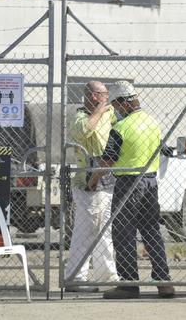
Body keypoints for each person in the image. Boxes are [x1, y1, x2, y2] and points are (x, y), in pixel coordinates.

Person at [89, 80, 175, 300]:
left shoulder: (120, 128)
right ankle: (163, 281)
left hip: (128, 184)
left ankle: (129, 284)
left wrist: (93, 179)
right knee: (151, 231)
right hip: (150, 183)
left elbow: (108, 160)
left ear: (124, 103)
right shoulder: (152, 123)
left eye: (117, 106)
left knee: (123, 233)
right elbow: (164, 149)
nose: (116, 110)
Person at [65, 81, 119, 292]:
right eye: (104, 94)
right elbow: (84, 131)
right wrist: (98, 110)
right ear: (94, 96)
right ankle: (75, 277)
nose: (107, 97)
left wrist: (106, 110)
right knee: (86, 230)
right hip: (87, 179)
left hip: (107, 173)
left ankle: (106, 276)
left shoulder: (110, 113)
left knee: (104, 229)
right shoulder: (79, 116)